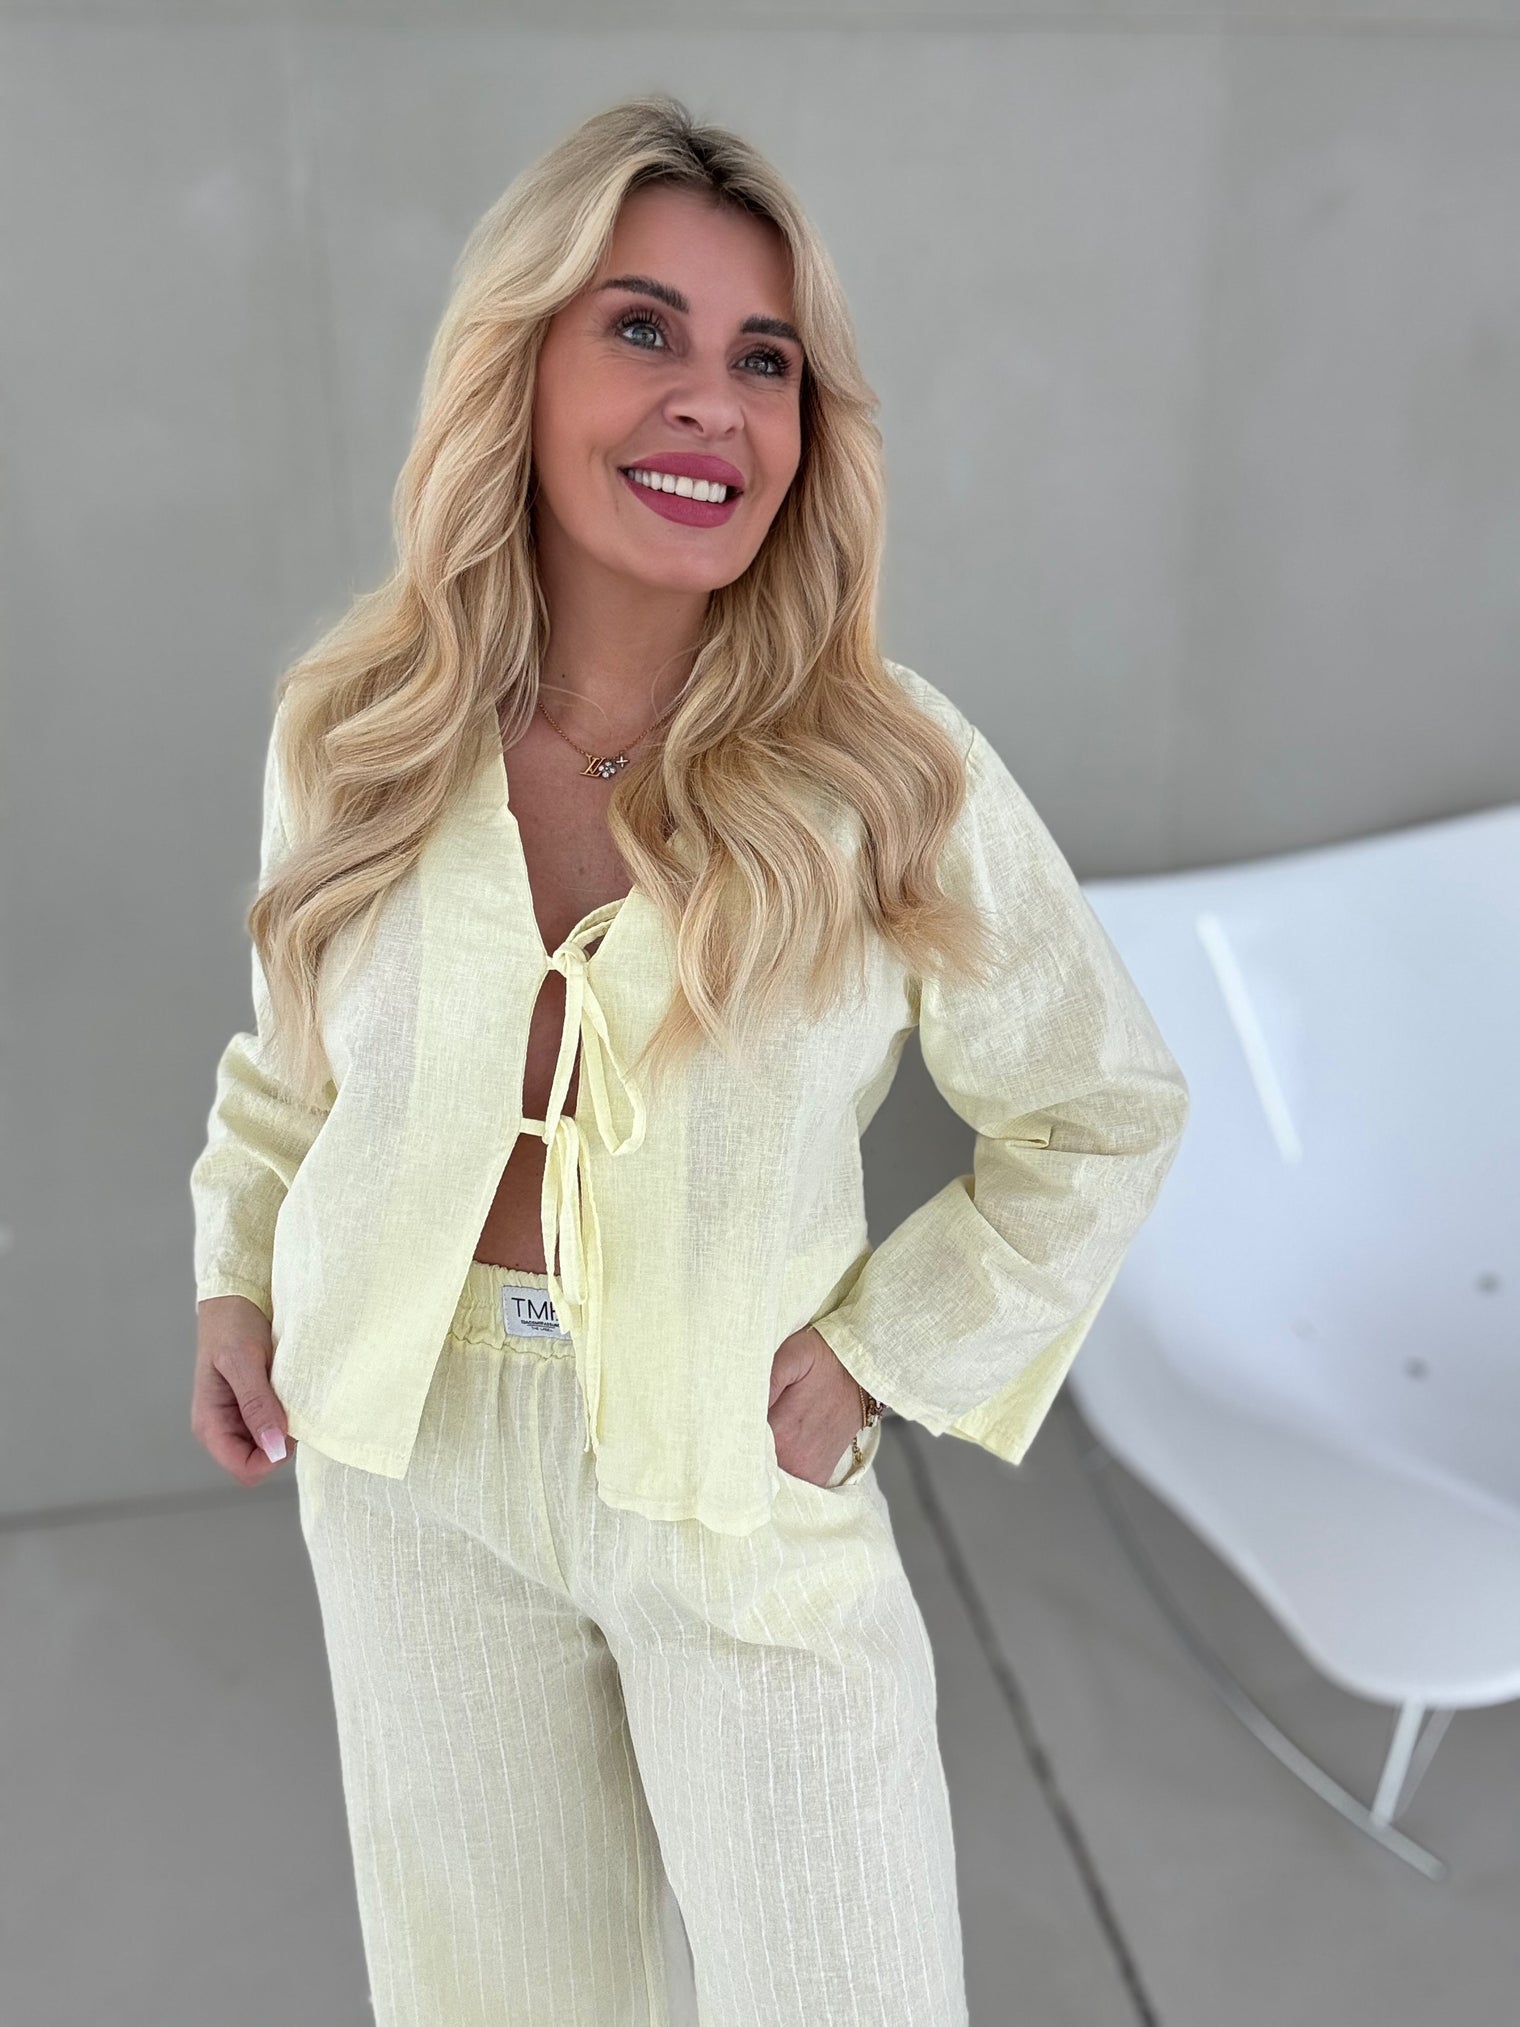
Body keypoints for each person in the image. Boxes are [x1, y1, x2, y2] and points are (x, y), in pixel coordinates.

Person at [189, 93, 1189, 2027]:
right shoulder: (362, 724)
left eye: (766, 360)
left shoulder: (886, 775)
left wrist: (886, 1351)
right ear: (521, 362)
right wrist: (238, 1271)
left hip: (731, 1478)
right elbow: (289, 1059)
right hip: (403, 1461)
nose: (710, 405)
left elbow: (1101, 1107)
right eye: (643, 328)